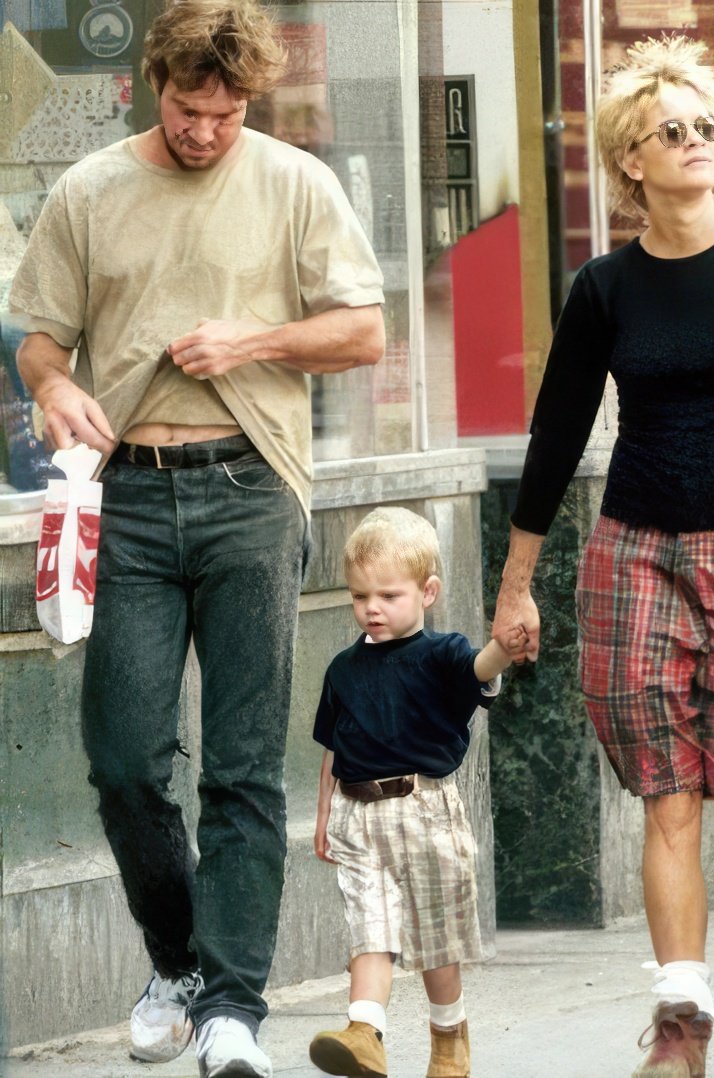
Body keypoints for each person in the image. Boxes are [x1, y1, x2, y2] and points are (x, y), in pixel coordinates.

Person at [7, 0, 385, 1074]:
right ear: (152, 87)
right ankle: (176, 958)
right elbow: (39, 340)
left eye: (224, 115)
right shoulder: (91, 190)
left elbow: (364, 328)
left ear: (246, 101)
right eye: (186, 111)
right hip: (123, 496)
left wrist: (254, 339)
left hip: (252, 490)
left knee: (244, 769)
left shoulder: (293, 183)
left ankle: (231, 1006)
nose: (204, 134)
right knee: (124, 761)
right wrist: (51, 389)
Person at [489, 34, 714, 1078]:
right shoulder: (605, 287)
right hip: (635, 554)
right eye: (673, 131)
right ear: (630, 163)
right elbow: (555, 438)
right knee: (669, 795)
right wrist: (517, 584)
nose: (698, 144)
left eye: (706, 127)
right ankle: (682, 1026)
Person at [306, 507, 514, 1078]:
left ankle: (449, 1040)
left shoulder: (442, 653)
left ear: (428, 592)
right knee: (368, 928)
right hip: (357, 814)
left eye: (388, 595)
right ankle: (364, 1032)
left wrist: (505, 645)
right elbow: (332, 746)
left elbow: (480, 669)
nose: (371, 608)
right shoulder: (343, 669)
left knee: (433, 938)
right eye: (359, 596)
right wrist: (322, 814)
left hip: (424, 810)